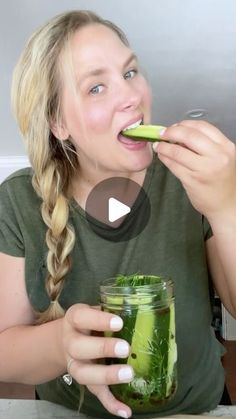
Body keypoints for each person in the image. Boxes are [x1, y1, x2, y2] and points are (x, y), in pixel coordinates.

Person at [0, 9, 235, 419]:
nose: (132, 97)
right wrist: (60, 344)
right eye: (95, 88)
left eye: (130, 73)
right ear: (58, 122)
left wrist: (227, 206)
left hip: (199, 410)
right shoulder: (18, 201)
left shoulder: (190, 177)